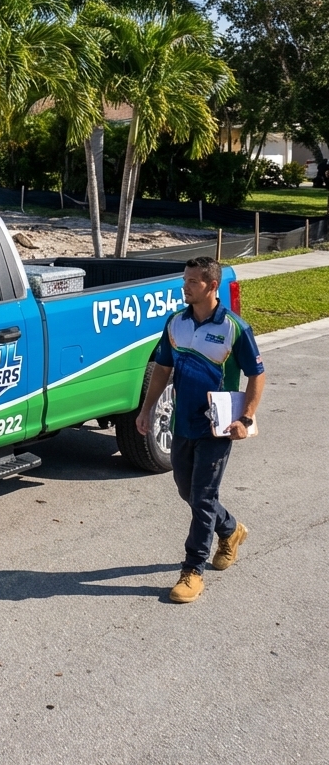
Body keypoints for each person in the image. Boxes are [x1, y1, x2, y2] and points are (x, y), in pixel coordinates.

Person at [136, 256, 266, 604]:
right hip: (182, 423)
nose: (185, 287)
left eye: (192, 281)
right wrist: (147, 409)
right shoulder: (175, 323)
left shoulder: (234, 328)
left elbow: (257, 374)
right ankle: (231, 529)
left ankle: (193, 570)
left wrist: (247, 418)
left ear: (212, 285)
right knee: (188, 492)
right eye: (185, 280)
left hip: (217, 427)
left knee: (203, 495)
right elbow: (162, 368)